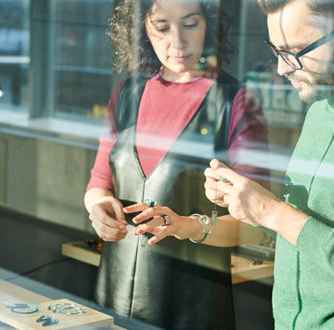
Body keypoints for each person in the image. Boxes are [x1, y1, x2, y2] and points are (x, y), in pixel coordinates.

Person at [134, 0, 334, 328]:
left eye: (294, 51)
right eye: (276, 51)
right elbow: (297, 234)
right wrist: (194, 224)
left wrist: (271, 210)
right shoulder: (322, 104)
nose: (282, 68)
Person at [83, 0, 267, 328]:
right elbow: (98, 183)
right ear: (143, 31)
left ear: (209, 24)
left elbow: (256, 226)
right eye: (163, 28)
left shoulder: (236, 102)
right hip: (113, 299)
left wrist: (187, 226)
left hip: (193, 310)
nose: (178, 42)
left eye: (190, 24)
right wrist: (98, 209)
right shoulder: (126, 94)